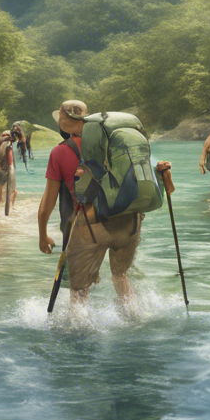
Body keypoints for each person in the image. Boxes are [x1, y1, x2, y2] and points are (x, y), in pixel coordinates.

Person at [36, 100, 139, 306]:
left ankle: (78, 335)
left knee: (78, 292)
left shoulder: (60, 152)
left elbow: (48, 201)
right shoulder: (114, 142)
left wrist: (42, 234)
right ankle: (136, 318)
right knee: (120, 277)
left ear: (64, 122)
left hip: (90, 226)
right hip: (128, 222)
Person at [0, 130, 17, 210]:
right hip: (3, 171)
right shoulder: (8, 146)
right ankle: (11, 208)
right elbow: (10, 161)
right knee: (13, 191)